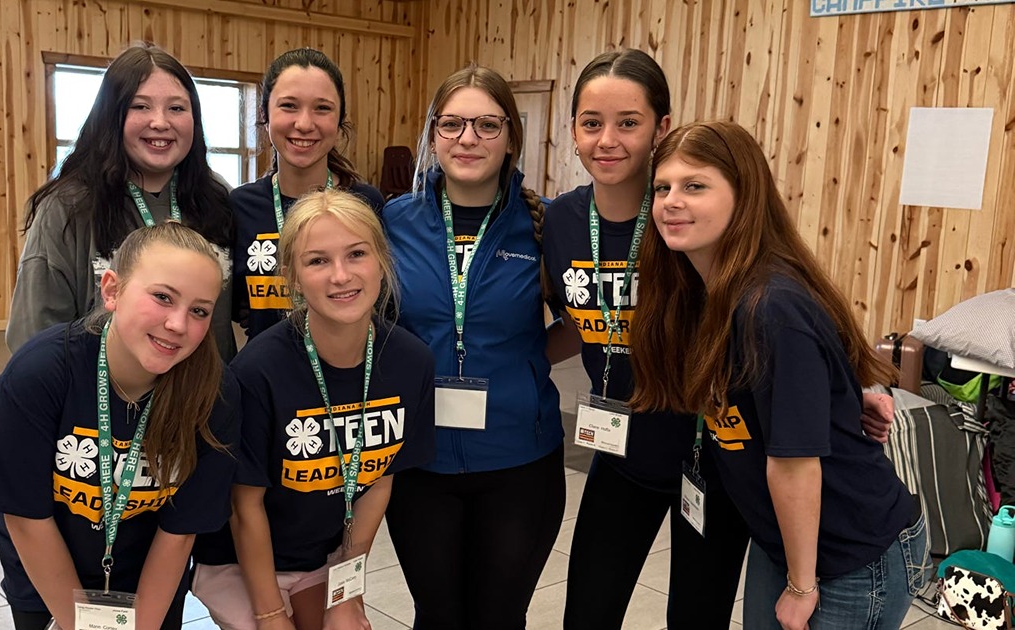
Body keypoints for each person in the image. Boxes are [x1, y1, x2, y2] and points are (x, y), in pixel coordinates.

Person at [631, 120, 929, 629]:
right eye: (663, 187)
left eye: (694, 186)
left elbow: (794, 465)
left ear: (743, 197)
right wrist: (840, 399)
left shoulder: (771, 305)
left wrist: (801, 584)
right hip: (787, 542)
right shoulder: (703, 287)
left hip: (846, 556)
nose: (670, 201)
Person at [540, 49, 750, 629]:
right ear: (574, 129)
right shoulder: (559, 222)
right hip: (622, 453)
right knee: (586, 612)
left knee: (696, 619)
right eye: (591, 123)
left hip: (708, 459)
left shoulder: (688, 218)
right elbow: (573, 322)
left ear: (660, 127)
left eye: (628, 123)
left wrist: (848, 387)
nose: (607, 140)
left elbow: (766, 313)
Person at [0, 222, 241, 630]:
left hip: (148, 578)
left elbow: (179, 532)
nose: (178, 324)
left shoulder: (214, 393)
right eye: (163, 297)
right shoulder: (40, 373)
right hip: (45, 573)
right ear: (112, 290)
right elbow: (26, 518)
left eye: (199, 310)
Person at [192, 190, 435, 630]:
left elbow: (379, 482)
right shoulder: (257, 372)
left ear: (382, 260)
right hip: (241, 557)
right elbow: (244, 506)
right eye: (317, 261)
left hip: (324, 555)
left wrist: (350, 588)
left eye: (357, 254)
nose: (341, 276)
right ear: (293, 277)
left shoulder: (410, 361)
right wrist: (269, 614)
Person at [382, 65, 564, 630]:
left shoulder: (546, 226)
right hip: (420, 461)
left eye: (488, 125)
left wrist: (523, 361)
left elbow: (585, 323)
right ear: (433, 135)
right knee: (436, 615)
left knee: (499, 616)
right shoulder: (393, 221)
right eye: (453, 124)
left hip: (520, 461)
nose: (468, 139)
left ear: (511, 137)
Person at [7, 42, 236, 362]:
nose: (160, 122)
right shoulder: (68, 206)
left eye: (177, 108)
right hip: (103, 402)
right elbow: (33, 335)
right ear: (111, 116)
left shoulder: (218, 198)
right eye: (140, 106)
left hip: (204, 401)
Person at [233, 48, 386, 341]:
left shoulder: (366, 203)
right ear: (265, 114)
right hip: (267, 376)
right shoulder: (239, 207)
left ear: (340, 119)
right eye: (289, 106)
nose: (304, 124)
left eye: (322, 108)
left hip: (351, 374)